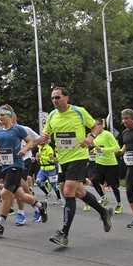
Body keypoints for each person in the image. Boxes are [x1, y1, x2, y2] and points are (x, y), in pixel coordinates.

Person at [40, 87, 112, 247]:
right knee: (78, 192)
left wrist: (90, 137)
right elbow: (46, 135)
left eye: (57, 97)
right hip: (63, 160)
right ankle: (103, 212)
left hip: (79, 157)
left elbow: (96, 127)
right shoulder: (52, 115)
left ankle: (64, 234)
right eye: (52, 98)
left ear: (66, 98)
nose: (54, 101)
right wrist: (44, 137)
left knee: (67, 191)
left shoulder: (79, 112)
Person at [0, 105, 47, 236]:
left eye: (2, 115)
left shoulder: (18, 129)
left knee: (4, 193)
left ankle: (0, 225)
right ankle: (39, 206)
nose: (0, 117)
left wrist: (25, 149)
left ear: (9, 115)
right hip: (5, 165)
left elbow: (30, 142)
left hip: (16, 165)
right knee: (20, 195)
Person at [90, 118, 123, 214]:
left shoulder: (107, 134)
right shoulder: (95, 136)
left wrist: (102, 150)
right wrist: (94, 150)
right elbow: (98, 147)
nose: (94, 128)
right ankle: (103, 198)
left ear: (101, 126)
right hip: (99, 162)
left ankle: (119, 204)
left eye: (96, 126)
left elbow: (116, 147)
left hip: (110, 164)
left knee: (113, 186)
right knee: (93, 178)